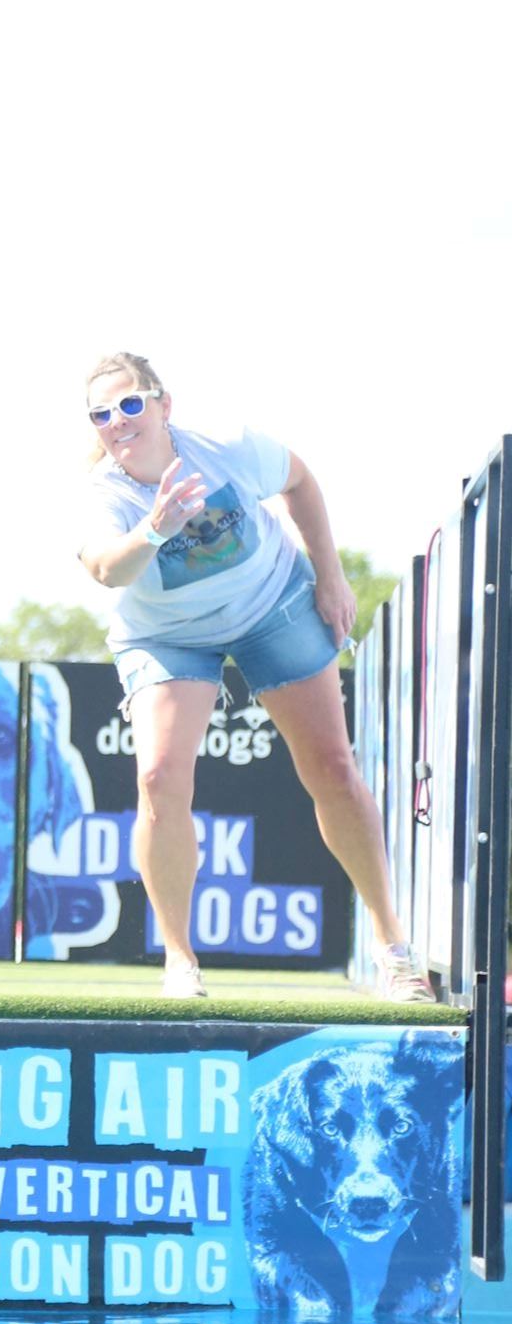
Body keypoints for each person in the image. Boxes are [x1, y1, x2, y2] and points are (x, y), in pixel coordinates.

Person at [76, 351, 436, 1001]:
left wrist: (331, 576)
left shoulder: (226, 446)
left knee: (332, 768)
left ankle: (395, 949)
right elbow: (107, 569)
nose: (117, 420)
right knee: (159, 779)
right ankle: (180, 961)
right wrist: (155, 529)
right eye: (101, 413)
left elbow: (301, 481)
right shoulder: (103, 495)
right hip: (166, 636)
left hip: (273, 602)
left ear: (163, 404)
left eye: (130, 403)